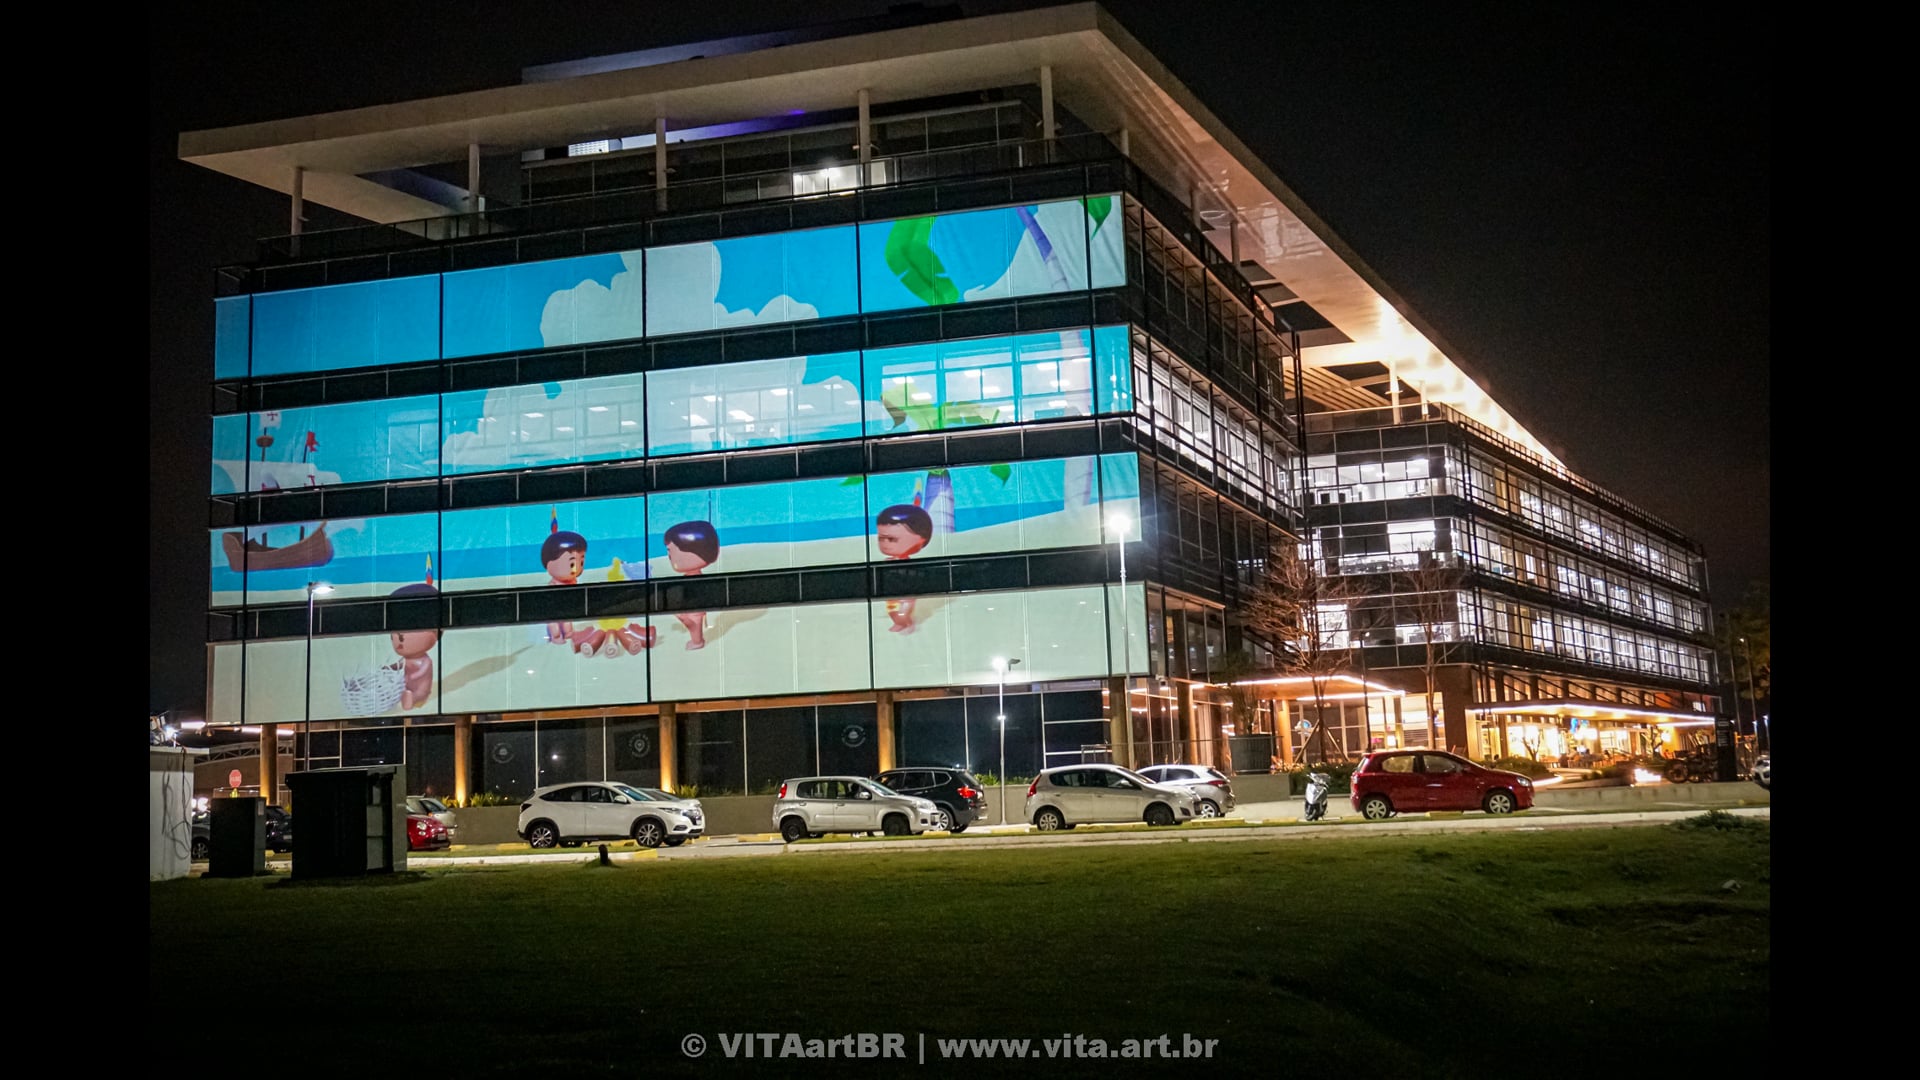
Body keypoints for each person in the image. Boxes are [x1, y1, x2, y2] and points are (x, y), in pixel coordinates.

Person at [874, 503, 932, 633]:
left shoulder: (908, 565)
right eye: (881, 538)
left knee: (903, 611)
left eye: (892, 539)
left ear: (920, 541)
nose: (885, 544)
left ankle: (906, 623)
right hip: (892, 593)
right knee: (892, 610)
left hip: (906, 593)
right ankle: (901, 623)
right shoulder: (889, 561)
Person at [664, 520, 720, 650]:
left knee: (694, 624)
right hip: (692, 606)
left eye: (670, 551)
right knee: (691, 621)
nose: (669, 556)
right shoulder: (692, 578)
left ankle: (697, 641)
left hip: (695, 607)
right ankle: (696, 639)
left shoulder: (696, 579)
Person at [540, 513, 589, 649]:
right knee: (554, 624)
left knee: (567, 621)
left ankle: (568, 633)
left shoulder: (572, 580)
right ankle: (555, 636)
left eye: (582, 562)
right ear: (548, 563)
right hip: (554, 611)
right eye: (572, 563)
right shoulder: (554, 584)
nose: (577, 568)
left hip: (567, 609)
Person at [389, 583, 439, 710]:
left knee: (419, 694)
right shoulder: (406, 659)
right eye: (393, 637)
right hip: (406, 686)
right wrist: (391, 668)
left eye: (402, 638)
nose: (398, 643)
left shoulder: (425, 660)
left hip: (421, 689)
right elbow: (400, 666)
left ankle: (413, 699)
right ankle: (405, 697)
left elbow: (423, 671)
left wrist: (412, 676)